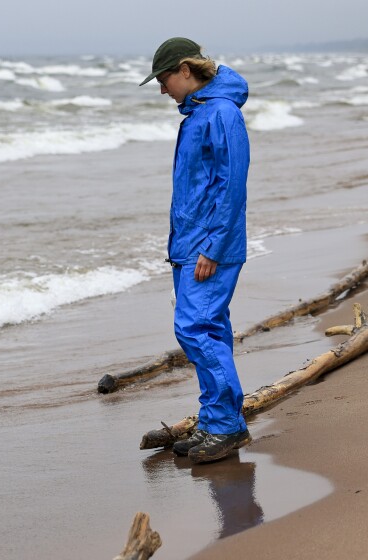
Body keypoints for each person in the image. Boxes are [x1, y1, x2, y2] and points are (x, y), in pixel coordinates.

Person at [140, 37, 252, 464]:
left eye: (164, 78)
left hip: (209, 248)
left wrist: (212, 247)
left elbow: (232, 186)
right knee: (210, 329)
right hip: (190, 247)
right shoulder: (201, 112)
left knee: (193, 328)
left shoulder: (221, 113)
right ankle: (215, 419)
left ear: (186, 70)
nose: (162, 89)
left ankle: (227, 426)